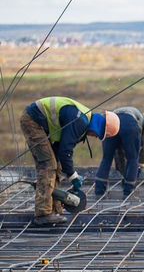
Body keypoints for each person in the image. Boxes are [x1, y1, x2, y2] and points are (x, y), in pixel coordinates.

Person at [19, 96, 120, 226]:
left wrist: (67, 170)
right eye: (97, 135)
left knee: (56, 165)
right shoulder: (80, 121)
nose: (94, 137)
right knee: (48, 166)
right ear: (99, 128)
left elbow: (60, 151)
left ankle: (55, 209)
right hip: (33, 120)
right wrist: (73, 176)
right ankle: (43, 214)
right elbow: (65, 152)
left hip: (39, 122)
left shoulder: (83, 122)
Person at [94, 106, 144, 197]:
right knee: (133, 158)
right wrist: (141, 163)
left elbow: (118, 154)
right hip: (129, 124)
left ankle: (99, 190)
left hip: (110, 123)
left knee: (106, 158)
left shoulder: (122, 113)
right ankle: (128, 192)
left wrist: (124, 173)